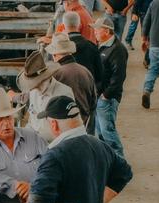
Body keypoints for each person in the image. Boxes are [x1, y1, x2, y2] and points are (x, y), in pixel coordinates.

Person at [11, 52, 75, 143]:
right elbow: (33, 122)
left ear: (44, 78)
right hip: (36, 144)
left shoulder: (64, 93)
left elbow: (68, 129)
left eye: (34, 82)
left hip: (56, 146)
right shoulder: (33, 92)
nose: (32, 86)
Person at [46, 32, 98, 133]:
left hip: (64, 127)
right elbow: (93, 102)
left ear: (54, 55)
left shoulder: (55, 74)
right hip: (84, 125)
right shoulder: (85, 71)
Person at [92, 17, 128, 157]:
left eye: (97, 29)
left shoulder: (117, 50)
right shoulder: (102, 45)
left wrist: (106, 95)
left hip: (107, 99)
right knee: (100, 132)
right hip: (101, 96)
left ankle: (119, 161)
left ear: (107, 31)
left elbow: (119, 77)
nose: (94, 32)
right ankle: (108, 161)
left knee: (108, 132)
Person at [63, 12, 104, 90]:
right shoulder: (92, 46)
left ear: (63, 26)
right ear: (79, 25)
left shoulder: (60, 49)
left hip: (68, 92)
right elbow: (99, 75)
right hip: (88, 90)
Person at [141, 0, 159, 109]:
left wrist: (144, 37)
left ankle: (146, 91)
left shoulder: (154, 3)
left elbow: (146, 20)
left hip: (155, 43)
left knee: (152, 70)